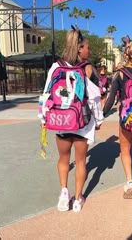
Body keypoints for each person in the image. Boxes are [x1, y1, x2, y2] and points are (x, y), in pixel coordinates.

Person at [40, 26, 103, 212]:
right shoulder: (87, 69)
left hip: (60, 120)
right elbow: (95, 97)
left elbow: (45, 94)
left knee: (63, 158)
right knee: (81, 161)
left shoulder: (55, 67)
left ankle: (63, 192)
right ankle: (78, 200)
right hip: (81, 121)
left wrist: (44, 116)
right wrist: (98, 120)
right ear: (79, 47)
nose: (88, 51)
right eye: (87, 47)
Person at [103, 35, 132, 199]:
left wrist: (101, 116)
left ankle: (129, 182)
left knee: (124, 149)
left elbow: (111, 99)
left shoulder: (120, 74)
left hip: (127, 116)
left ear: (125, 55)